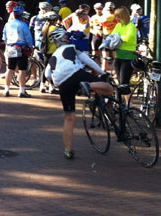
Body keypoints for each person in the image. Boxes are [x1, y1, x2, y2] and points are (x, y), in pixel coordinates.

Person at [45, 26, 114, 160]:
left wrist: (53, 83)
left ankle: (68, 150)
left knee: (69, 117)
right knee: (109, 88)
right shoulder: (72, 47)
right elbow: (88, 61)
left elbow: (47, 74)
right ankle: (88, 86)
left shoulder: (53, 57)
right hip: (75, 74)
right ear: (64, 38)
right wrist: (103, 73)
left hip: (62, 83)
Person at [2, 2, 33, 98]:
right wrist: (31, 47)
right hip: (22, 48)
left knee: (10, 69)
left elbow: (4, 38)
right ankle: (22, 91)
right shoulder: (23, 25)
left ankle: (6, 89)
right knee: (22, 70)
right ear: (21, 14)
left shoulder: (7, 24)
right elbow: (28, 38)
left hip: (11, 48)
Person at [110, 7, 138, 90]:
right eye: (116, 17)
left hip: (128, 56)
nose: (117, 19)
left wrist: (118, 38)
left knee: (124, 82)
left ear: (124, 16)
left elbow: (129, 37)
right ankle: (120, 97)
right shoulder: (119, 25)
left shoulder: (131, 26)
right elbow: (112, 35)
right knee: (119, 81)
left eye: (119, 17)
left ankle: (127, 98)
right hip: (118, 55)